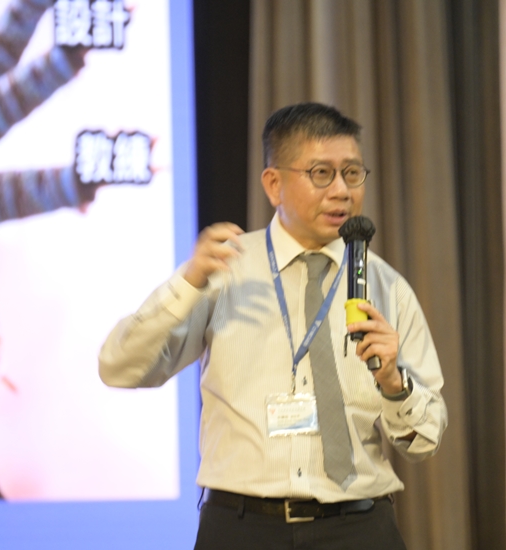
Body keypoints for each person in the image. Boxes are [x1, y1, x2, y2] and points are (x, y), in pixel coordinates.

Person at [99, 102, 447, 549]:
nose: (342, 191)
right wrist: (186, 285)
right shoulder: (222, 273)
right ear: (273, 184)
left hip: (358, 528)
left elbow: (425, 441)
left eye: (352, 174)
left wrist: (395, 383)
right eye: (322, 174)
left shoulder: (387, 287)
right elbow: (119, 367)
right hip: (242, 527)